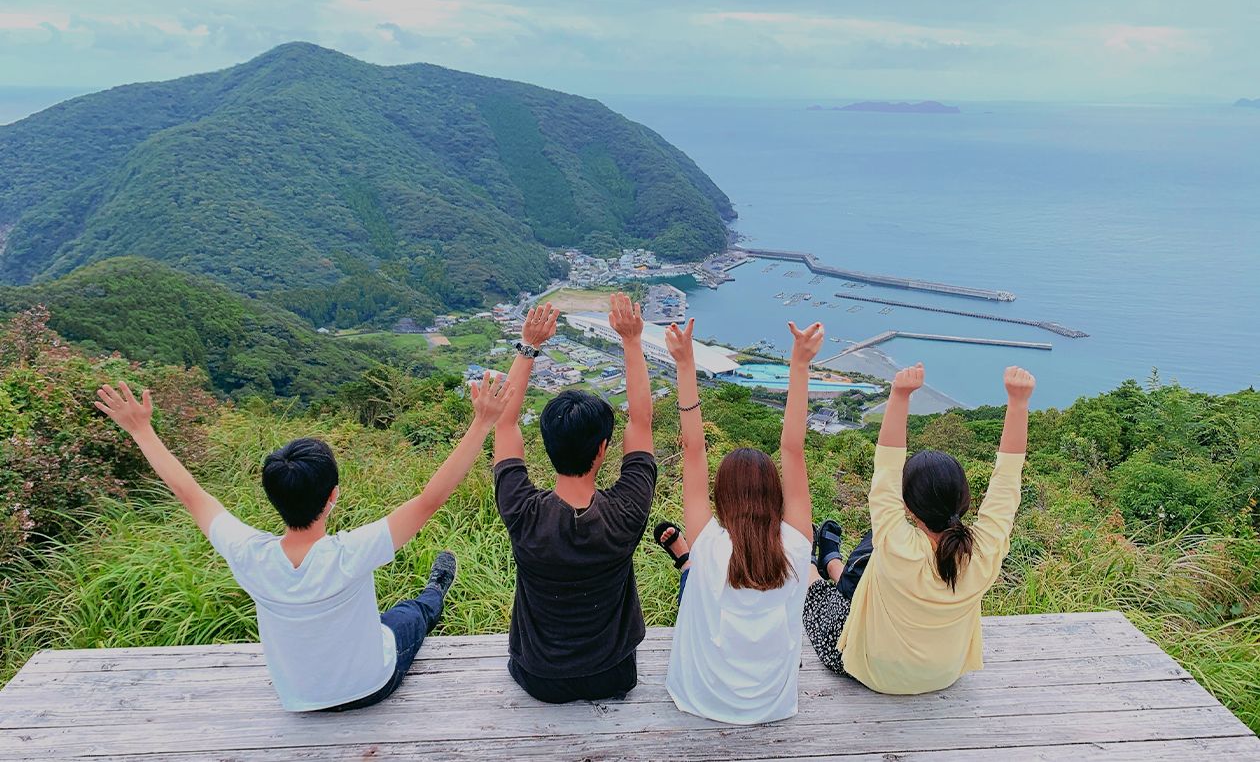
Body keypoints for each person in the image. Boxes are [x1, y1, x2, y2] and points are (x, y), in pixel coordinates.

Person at [93, 371, 513, 712]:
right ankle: (435, 590)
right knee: (408, 616)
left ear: (272, 497)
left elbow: (190, 493)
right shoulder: (349, 552)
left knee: (381, 622)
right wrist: (482, 422)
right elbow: (430, 499)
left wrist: (140, 429)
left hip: (298, 699)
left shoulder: (248, 554)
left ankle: (423, 599)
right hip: (370, 686)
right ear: (333, 496)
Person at [802, 362, 1035, 694]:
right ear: (965, 501)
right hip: (944, 674)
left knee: (823, 605)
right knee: (869, 567)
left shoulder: (897, 545)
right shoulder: (984, 551)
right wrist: (1019, 403)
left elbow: (886, 468)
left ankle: (811, 564)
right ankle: (832, 562)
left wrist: (899, 395)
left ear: (906, 507)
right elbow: (1007, 480)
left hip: (875, 673)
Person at [654, 318, 823, 724]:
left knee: (694, 574)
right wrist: (800, 365)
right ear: (775, 495)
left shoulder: (708, 542)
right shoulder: (797, 545)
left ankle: (681, 561)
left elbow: (693, 450)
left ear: (722, 496)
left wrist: (685, 362)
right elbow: (793, 449)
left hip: (699, 698)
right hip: (772, 705)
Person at [491, 294, 657, 703]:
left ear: (545, 446)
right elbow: (641, 421)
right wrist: (632, 342)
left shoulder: (524, 513)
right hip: (613, 673)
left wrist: (529, 346)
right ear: (603, 449)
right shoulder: (626, 513)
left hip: (539, 676)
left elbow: (505, 422)